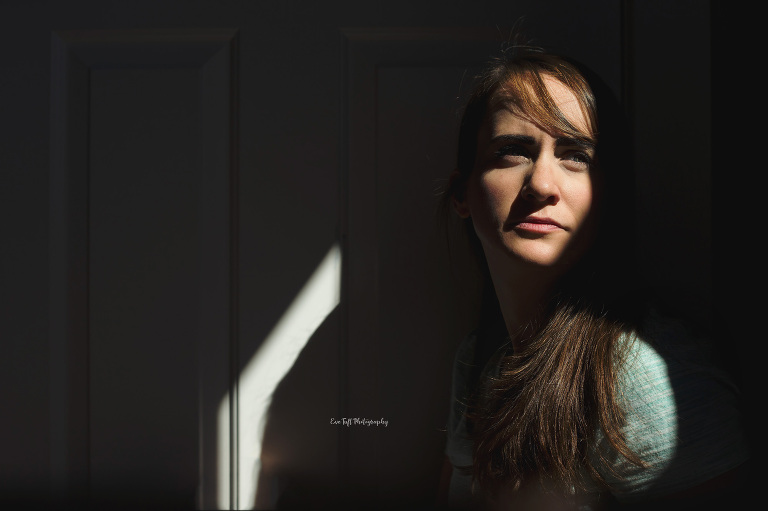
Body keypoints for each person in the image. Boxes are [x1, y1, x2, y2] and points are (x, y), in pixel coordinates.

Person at [437, 45, 750, 510]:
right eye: (512, 152)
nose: (542, 184)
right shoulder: (480, 355)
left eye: (576, 156)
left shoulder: (643, 382)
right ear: (463, 193)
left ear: (607, 195)